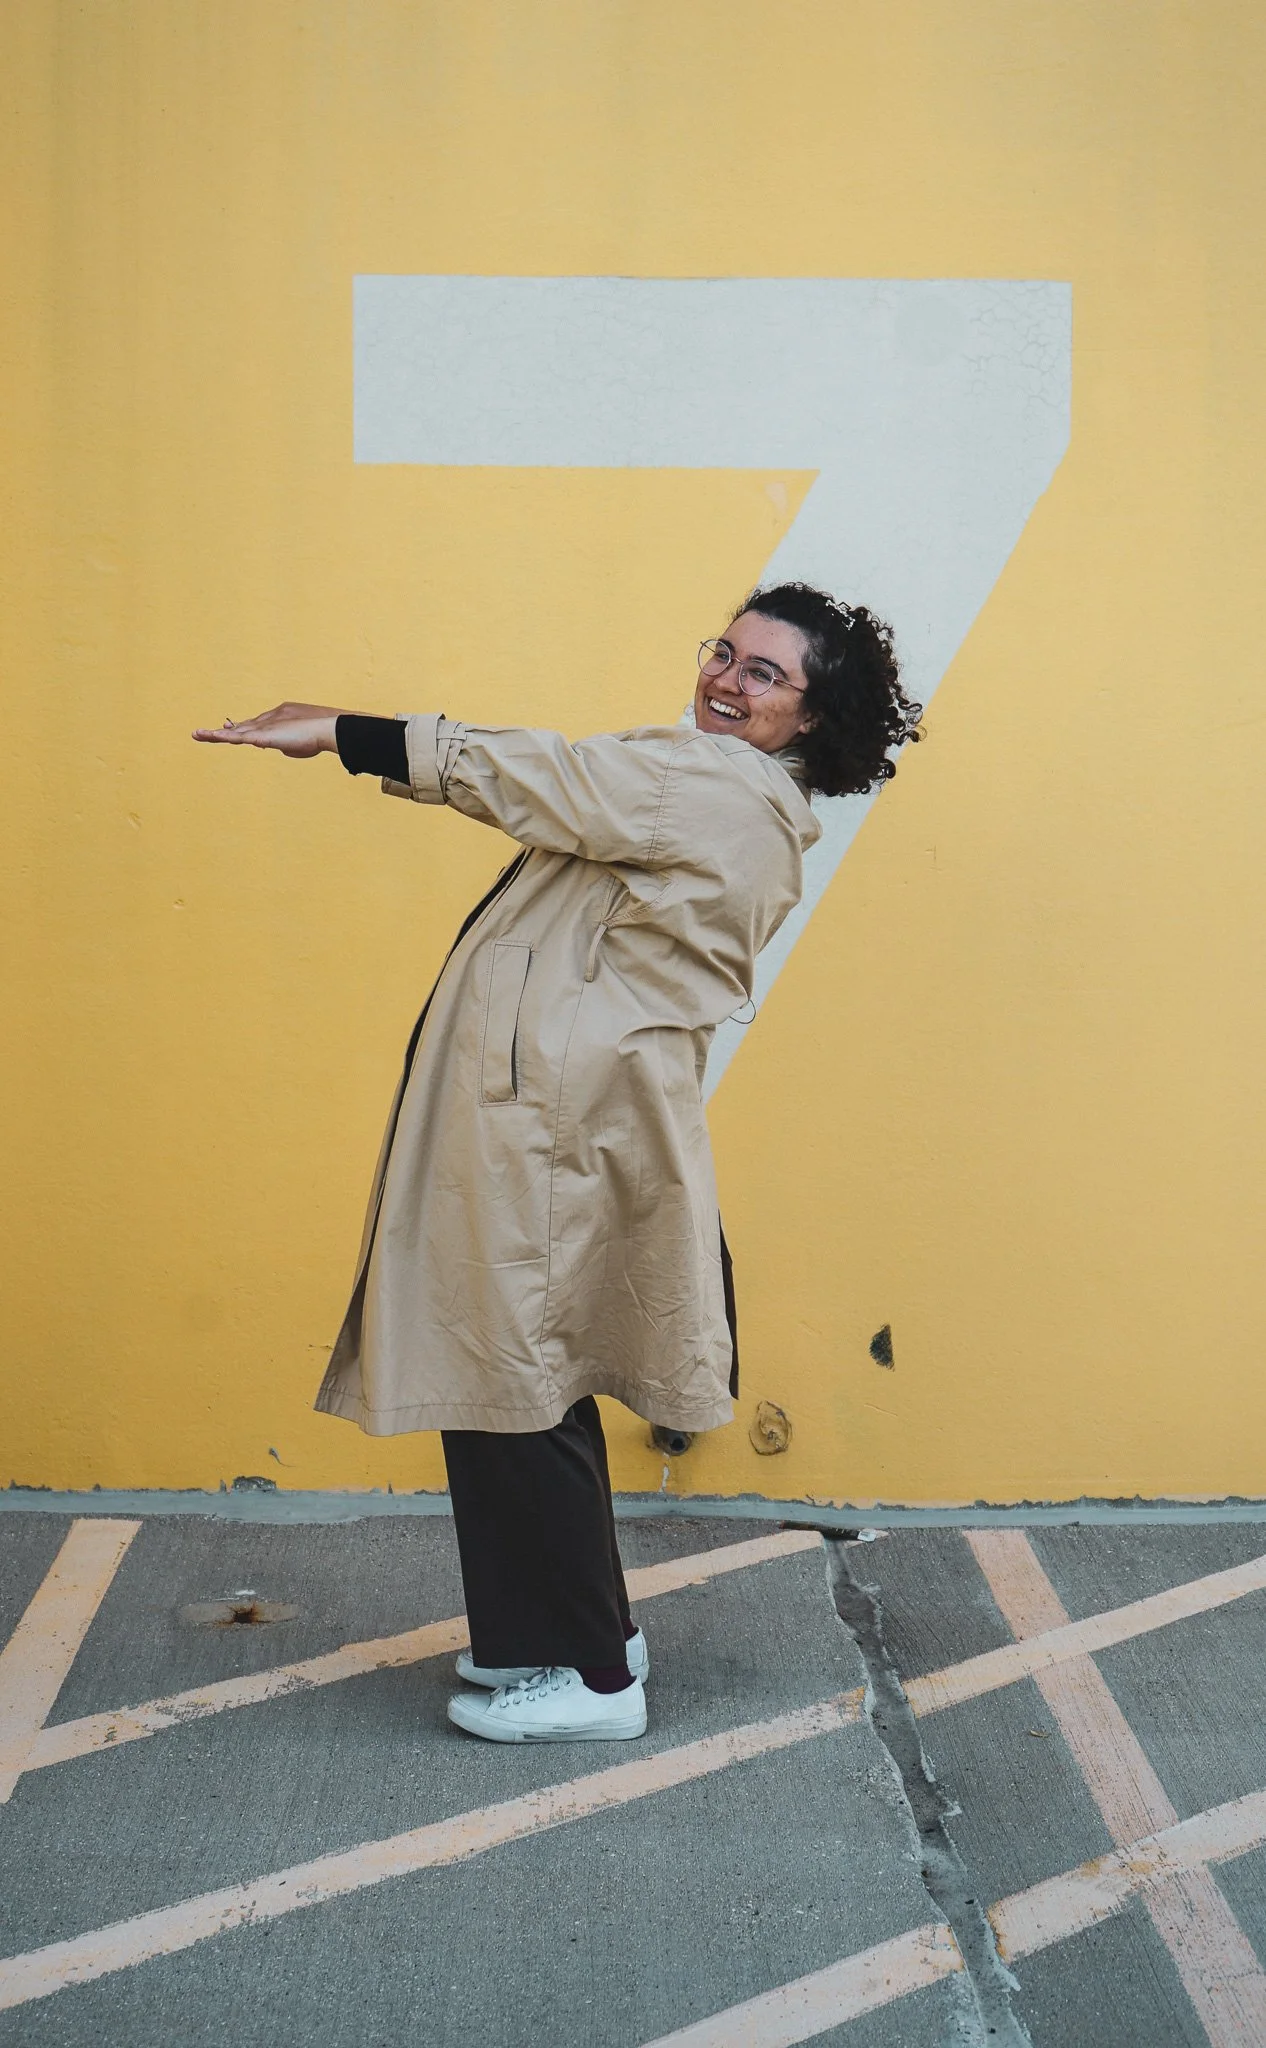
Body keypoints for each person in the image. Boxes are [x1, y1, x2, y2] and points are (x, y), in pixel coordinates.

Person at [193, 581, 921, 1743]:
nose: (727, 681)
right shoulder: (713, 788)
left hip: (551, 1128)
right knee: (523, 1378)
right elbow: (575, 803)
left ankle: (588, 1679)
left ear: (812, 721)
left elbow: (544, 775)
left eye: (765, 674)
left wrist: (343, 730)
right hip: (558, 1119)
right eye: (725, 654)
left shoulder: (716, 787)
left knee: (515, 1380)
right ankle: (577, 1637)